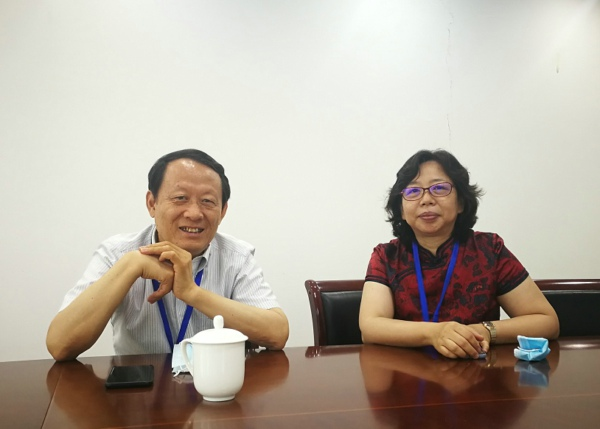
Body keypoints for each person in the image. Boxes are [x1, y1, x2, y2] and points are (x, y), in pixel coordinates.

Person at [47, 149, 289, 361]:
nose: (194, 213)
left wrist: (192, 293)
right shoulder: (117, 253)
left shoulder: (237, 257)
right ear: (152, 203)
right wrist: (132, 265)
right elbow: (60, 344)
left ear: (223, 211)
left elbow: (277, 333)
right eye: (180, 198)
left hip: (217, 387)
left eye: (207, 201)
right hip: (139, 392)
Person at [359, 149, 559, 359]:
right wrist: (434, 333)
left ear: (461, 202)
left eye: (439, 188)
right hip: (408, 372)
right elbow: (371, 327)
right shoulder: (386, 256)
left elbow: (546, 321)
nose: (426, 199)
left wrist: (485, 330)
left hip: (478, 371)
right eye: (413, 191)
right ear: (401, 209)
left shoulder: (489, 249)